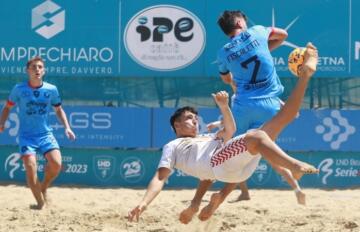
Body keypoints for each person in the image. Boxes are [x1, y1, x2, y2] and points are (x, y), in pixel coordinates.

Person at [127, 42, 318, 223]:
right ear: (176, 125)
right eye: (188, 118)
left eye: (195, 118)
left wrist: (224, 108)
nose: (194, 120)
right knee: (256, 136)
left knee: (285, 118)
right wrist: (144, 203)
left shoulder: (207, 138)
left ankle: (305, 75)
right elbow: (160, 177)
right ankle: (295, 166)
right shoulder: (173, 146)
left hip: (236, 170)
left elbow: (231, 132)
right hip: (221, 166)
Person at [0, 57, 76, 209]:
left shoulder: (51, 89)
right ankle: (40, 204)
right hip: (26, 136)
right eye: (34, 67)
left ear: (44, 71)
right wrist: (1, 122)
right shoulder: (19, 89)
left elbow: (59, 110)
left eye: (40, 67)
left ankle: (44, 186)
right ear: (27, 70)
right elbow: (7, 107)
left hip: (45, 135)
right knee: (30, 165)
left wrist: (67, 127)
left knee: (56, 164)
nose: (37, 70)